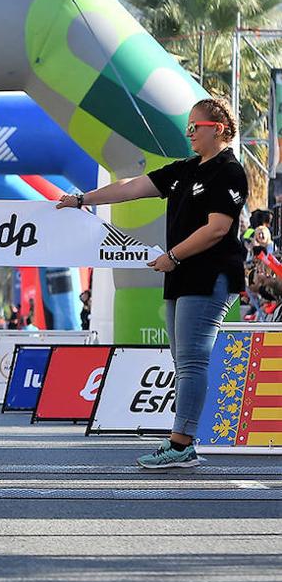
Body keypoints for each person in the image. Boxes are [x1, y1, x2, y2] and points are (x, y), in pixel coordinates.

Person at [57, 97, 246, 470]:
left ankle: (181, 444)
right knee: (183, 360)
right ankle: (182, 440)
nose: (189, 132)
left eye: (196, 126)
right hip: (181, 275)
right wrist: (82, 199)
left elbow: (218, 229)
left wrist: (173, 255)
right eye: (187, 126)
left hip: (209, 275)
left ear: (219, 129)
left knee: (192, 361)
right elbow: (129, 188)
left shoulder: (229, 171)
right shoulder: (186, 169)